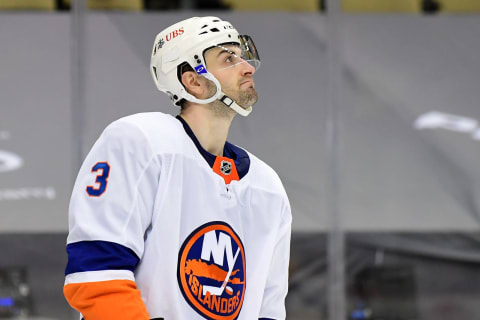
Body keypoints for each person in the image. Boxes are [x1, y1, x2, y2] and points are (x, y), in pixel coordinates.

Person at [63, 16, 292, 320]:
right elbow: (97, 277)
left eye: (243, 55)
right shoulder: (140, 141)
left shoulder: (267, 186)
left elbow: (268, 310)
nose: (248, 67)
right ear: (193, 81)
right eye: (228, 58)